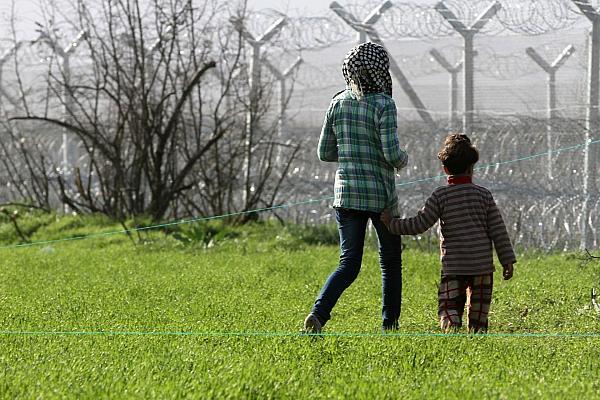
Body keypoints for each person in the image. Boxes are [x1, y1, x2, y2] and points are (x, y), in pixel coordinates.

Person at [303, 42, 409, 333]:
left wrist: (352, 153)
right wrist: (403, 160)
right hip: (381, 196)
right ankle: (390, 325)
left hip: (346, 194)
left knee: (348, 263)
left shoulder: (337, 102)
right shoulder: (384, 104)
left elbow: (325, 152)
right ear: (380, 71)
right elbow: (391, 153)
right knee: (389, 261)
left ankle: (319, 314)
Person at [381, 133, 515, 333]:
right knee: (479, 314)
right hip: (482, 267)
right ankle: (477, 342)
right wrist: (507, 260)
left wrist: (391, 223)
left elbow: (419, 224)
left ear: (445, 168)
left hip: (454, 266)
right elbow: (498, 230)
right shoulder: (484, 195)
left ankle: (452, 330)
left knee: (448, 306)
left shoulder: (441, 196)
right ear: (471, 167)